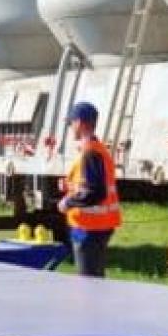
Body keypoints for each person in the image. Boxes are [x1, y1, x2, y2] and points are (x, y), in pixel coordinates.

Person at [55, 100, 120, 277]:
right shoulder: (95, 150)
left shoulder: (90, 152)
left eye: (71, 122)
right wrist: (69, 186)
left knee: (88, 283)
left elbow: (95, 192)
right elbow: (91, 185)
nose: (70, 126)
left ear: (80, 123)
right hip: (97, 225)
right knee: (94, 280)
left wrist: (67, 202)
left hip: (89, 227)